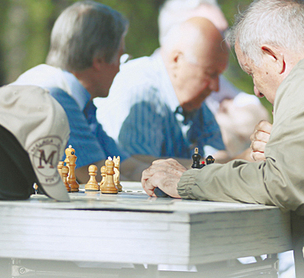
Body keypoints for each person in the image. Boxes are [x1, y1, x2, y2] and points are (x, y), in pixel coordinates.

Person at [142, 0, 304, 278]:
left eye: (251, 72)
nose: (256, 92)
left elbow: (286, 185)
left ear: (274, 57)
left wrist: (186, 181)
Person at [13, 0, 151, 182]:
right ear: (99, 60)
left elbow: (127, 165)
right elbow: (97, 176)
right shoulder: (53, 96)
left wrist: (190, 173)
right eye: (120, 56)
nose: (120, 68)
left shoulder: (77, 100)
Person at [96, 16, 236, 166]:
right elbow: (137, 167)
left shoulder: (195, 103)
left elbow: (219, 157)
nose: (216, 87)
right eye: (210, 73)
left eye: (219, 76)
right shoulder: (141, 90)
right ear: (177, 60)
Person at [158, 0, 270, 156]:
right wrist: (224, 123)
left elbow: (259, 117)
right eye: (215, 32)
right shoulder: (146, 86)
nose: (226, 42)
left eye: (224, 32)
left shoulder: (212, 77)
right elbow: (134, 165)